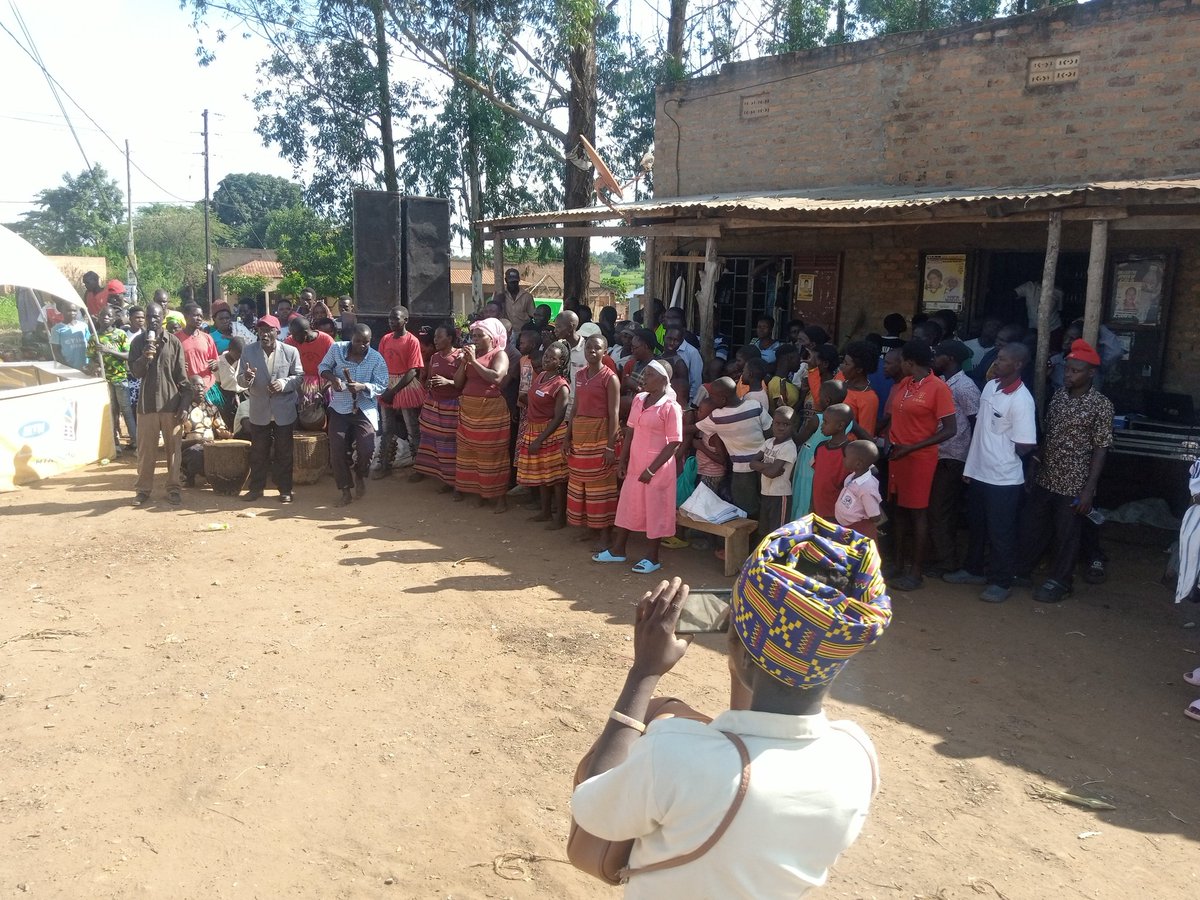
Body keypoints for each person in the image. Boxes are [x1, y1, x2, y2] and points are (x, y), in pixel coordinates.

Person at [572, 525, 890, 897]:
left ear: (737, 648)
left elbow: (592, 809)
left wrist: (643, 673)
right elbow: (748, 748)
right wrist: (743, 658)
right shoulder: (857, 756)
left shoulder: (675, 756)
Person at [1016, 340, 1114, 603]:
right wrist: (1035, 466)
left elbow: (1101, 449)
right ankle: (1021, 571)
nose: (1068, 375)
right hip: (1047, 476)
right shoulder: (1059, 395)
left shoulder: (1101, 405)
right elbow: (1048, 435)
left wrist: (1088, 491)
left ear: (1091, 373)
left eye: (1075, 371)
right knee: (1033, 527)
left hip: (1074, 482)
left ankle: (1061, 581)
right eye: (1067, 370)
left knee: (1067, 534)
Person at [945, 343, 1037, 603]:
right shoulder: (990, 386)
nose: (997, 363)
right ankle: (973, 569)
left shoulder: (1022, 400)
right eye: (998, 358)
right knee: (977, 525)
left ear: (1018, 365)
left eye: (1003, 359)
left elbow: (1026, 444)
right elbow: (982, 431)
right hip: (980, 472)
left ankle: (1001, 581)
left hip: (1003, 479)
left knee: (1001, 531)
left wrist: (1003, 456)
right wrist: (972, 466)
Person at [878, 341, 957, 592]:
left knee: (918, 513)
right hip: (898, 455)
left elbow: (950, 429)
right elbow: (894, 418)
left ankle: (916, 572)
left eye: (901, 361)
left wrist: (913, 447)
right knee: (899, 511)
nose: (898, 364)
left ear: (910, 362)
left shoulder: (938, 388)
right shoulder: (905, 384)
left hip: (919, 458)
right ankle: (899, 564)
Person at [593, 360, 682, 574]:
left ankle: (652, 557)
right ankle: (618, 550)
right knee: (628, 505)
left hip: (657, 469)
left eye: (650, 374)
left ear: (663, 380)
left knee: (655, 510)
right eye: (645, 374)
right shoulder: (639, 400)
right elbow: (630, 431)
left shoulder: (671, 407)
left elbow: (674, 443)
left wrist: (651, 470)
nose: (644, 378)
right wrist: (622, 460)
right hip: (635, 464)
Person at [128, 302, 191, 507]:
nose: (152, 321)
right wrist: (145, 357)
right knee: (146, 452)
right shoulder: (138, 342)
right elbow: (135, 373)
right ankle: (143, 490)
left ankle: (173, 488)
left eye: (156, 317)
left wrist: (184, 405)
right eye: (148, 317)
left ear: (163, 316)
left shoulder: (174, 343)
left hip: (170, 405)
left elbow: (182, 378)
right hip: (147, 406)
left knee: (174, 451)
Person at [927, 340, 980, 577]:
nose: (933, 359)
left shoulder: (965, 387)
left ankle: (948, 561)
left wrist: (971, 460)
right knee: (938, 509)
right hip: (940, 454)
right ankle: (941, 556)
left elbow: (976, 423)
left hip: (954, 457)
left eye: (937, 355)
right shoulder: (944, 383)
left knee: (941, 510)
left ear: (949, 359)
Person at [319, 324, 388, 506]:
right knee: (337, 448)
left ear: (370, 340)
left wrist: (363, 386)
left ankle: (360, 473)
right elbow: (323, 367)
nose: (362, 345)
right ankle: (345, 490)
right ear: (351, 338)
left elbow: (382, 385)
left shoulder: (376, 358)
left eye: (366, 342)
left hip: (364, 408)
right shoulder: (337, 349)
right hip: (340, 407)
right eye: (358, 341)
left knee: (367, 447)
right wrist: (333, 380)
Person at [239, 315, 304, 504]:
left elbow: (299, 377)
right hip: (259, 410)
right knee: (259, 452)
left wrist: (284, 383)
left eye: (268, 330)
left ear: (277, 332)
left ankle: (285, 489)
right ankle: (256, 489)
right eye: (261, 330)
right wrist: (248, 377)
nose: (264, 334)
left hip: (283, 410)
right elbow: (240, 380)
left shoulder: (290, 351)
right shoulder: (249, 351)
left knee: (284, 452)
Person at [567, 334, 621, 547]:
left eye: (596, 348)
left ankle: (606, 534)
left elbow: (614, 413)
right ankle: (590, 528)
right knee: (582, 485)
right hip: (580, 434)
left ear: (604, 352)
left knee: (601, 485)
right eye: (588, 347)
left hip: (600, 434)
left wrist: (610, 445)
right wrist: (567, 437)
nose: (591, 351)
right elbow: (575, 407)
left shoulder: (610, 378)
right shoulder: (580, 375)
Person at [453, 317, 513, 511]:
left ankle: (500, 497)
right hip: (470, 410)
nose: (475, 339)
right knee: (470, 454)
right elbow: (458, 382)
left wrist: (474, 363)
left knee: (493, 454)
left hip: (491, 411)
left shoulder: (499, 354)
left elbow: (497, 377)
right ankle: (481, 492)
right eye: (473, 335)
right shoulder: (471, 354)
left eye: (480, 336)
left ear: (492, 338)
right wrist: (464, 363)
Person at [696, 377, 772, 521]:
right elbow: (769, 433)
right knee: (765, 503)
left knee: (745, 507)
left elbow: (694, 428)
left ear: (723, 399)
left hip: (741, 470)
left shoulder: (717, 416)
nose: (711, 399)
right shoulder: (755, 406)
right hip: (764, 464)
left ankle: (747, 540)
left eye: (713, 397)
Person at [516, 342, 571, 529]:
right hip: (534, 429)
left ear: (561, 361)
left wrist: (540, 439)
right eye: (546, 355)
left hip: (551, 433)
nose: (547, 359)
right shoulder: (541, 376)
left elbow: (559, 416)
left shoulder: (561, 385)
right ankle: (545, 512)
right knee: (542, 475)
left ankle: (560, 518)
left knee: (557, 479)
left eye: (552, 358)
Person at [412, 323, 465, 493]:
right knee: (428, 439)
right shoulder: (434, 357)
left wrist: (447, 382)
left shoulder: (460, 356)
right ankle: (431, 472)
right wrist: (428, 383)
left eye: (439, 337)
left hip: (451, 406)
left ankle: (450, 480)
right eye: (435, 337)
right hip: (433, 404)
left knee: (448, 443)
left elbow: (464, 383)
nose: (435, 340)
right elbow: (428, 378)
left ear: (450, 338)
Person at [375, 306, 426, 478]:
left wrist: (393, 391)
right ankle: (384, 464)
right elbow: (380, 364)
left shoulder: (412, 341)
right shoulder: (385, 339)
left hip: (405, 384)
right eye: (390, 318)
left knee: (413, 429)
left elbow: (412, 371)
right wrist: (384, 388)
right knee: (386, 428)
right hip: (387, 383)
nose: (392, 322)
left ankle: (419, 468)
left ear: (406, 320)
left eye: (396, 318)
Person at [793, 380, 849, 519]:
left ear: (827, 400)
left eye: (819, 395)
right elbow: (865, 436)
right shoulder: (848, 419)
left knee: (803, 496)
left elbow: (798, 439)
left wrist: (791, 422)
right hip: (829, 466)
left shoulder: (817, 419)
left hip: (808, 463)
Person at [91, 306, 136, 451]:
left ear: (114, 318)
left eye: (109, 315)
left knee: (126, 410)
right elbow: (91, 358)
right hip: (104, 380)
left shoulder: (120, 334)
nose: (105, 318)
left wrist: (107, 350)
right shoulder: (95, 338)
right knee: (111, 411)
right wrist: (95, 366)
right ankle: (114, 443)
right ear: (98, 317)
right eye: (103, 315)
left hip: (120, 378)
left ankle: (136, 441)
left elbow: (128, 355)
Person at [750, 407, 797, 539]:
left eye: (786, 424)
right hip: (765, 493)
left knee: (778, 532)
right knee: (764, 530)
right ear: (772, 424)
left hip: (780, 496)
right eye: (777, 423)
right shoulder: (768, 442)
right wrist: (768, 466)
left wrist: (765, 468)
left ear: (793, 426)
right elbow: (752, 463)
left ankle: (778, 559)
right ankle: (765, 558)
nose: (781, 427)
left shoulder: (788, 447)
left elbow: (770, 472)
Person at [180, 375, 233, 487]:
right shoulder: (183, 411)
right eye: (195, 385)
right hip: (189, 450)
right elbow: (176, 442)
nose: (200, 388)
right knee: (196, 454)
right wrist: (198, 441)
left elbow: (220, 428)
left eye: (202, 386)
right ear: (189, 388)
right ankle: (189, 477)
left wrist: (228, 434)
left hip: (210, 447)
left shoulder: (212, 408)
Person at [811, 404, 853, 521]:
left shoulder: (850, 451)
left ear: (840, 426)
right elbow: (816, 479)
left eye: (825, 422)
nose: (822, 425)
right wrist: (812, 506)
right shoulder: (820, 448)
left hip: (838, 513)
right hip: (818, 510)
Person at [836, 440, 884, 540]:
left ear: (858, 464)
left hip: (859, 531)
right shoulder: (852, 476)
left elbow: (875, 516)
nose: (843, 459)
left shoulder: (867, 488)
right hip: (847, 528)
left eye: (846, 457)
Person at [840, 341, 880, 436]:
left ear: (859, 369)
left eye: (846, 364)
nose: (842, 367)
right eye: (843, 362)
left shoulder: (869, 398)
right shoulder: (840, 379)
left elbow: (865, 434)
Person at [178, 304, 219, 391]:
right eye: (196, 315)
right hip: (186, 387)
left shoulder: (207, 338)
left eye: (201, 316)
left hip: (207, 386)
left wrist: (215, 364)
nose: (199, 319)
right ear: (186, 316)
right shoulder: (175, 339)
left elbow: (216, 363)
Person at [49, 302, 91, 371]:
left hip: (85, 365)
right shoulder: (56, 329)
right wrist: (66, 366)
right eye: (68, 310)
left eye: (74, 311)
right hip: (68, 365)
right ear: (62, 311)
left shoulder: (83, 326)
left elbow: (90, 343)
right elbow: (56, 350)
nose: (72, 313)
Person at [214, 337, 245, 431]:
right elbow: (218, 383)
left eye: (242, 353)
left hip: (243, 396)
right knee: (229, 424)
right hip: (226, 397)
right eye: (237, 352)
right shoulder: (219, 362)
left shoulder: (244, 361)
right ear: (230, 349)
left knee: (243, 423)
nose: (240, 355)